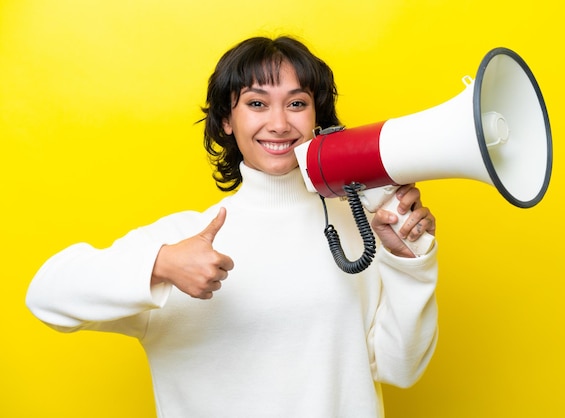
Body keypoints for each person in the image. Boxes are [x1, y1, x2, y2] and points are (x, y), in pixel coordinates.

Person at [26, 36, 439, 418]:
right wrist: (161, 266)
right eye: (257, 104)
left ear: (317, 118)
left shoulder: (361, 231)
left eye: (296, 103)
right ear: (226, 119)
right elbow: (45, 296)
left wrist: (407, 263)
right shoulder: (181, 241)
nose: (279, 124)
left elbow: (399, 368)